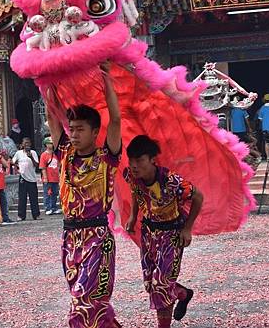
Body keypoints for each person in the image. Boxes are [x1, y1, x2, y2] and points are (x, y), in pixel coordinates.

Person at [46, 62, 122, 328]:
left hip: (98, 238)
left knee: (82, 302)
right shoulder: (64, 153)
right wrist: (49, 81)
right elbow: (51, 117)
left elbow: (115, 119)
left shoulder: (106, 157)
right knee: (91, 303)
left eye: (80, 129)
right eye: (72, 128)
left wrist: (107, 80)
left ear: (94, 132)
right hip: (70, 238)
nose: (74, 134)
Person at [124, 135, 203, 328]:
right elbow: (136, 192)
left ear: (152, 160)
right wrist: (133, 216)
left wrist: (188, 228)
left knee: (161, 284)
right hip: (148, 233)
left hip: (172, 234)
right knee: (151, 284)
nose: (134, 166)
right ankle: (182, 293)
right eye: (131, 161)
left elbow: (198, 197)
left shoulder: (172, 181)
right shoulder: (131, 175)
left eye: (139, 161)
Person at [12, 137, 41, 221]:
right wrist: (17, 168)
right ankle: (21, 216)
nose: (27, 144)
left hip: (32, 178)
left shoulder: (33, 153)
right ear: (22, 144)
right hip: (23, 178)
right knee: (22, 197)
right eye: (25, 143)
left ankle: (36, 215)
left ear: (30, 144)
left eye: (28, 143)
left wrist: (31, 157)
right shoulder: (18, 153)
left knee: (34, 198)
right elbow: (13, 162)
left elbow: (36, 165)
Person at [39, 136, 60, 215]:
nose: (51, 145)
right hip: (48, 177)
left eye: (52, 143)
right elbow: (43, 167)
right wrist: (45, 177)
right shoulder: (44, 155)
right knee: (47, 193)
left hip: (55, 177)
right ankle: (47, 208)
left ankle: (54, 207)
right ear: (46, 145)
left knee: (55, 193)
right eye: (49, 143)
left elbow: (58, 165)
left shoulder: (56, 154)